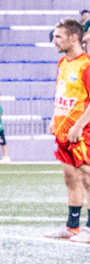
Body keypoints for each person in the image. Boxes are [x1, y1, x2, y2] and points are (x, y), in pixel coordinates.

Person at [48, 20, 90, 240]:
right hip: (63, 129)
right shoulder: (62, 63)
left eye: (58, 37)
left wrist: (79, 124)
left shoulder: (86, 64)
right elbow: (62, 93)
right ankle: (72, 226)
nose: (54, 41)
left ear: (74, 38)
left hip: (82, 129)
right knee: (70, 176)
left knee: (87, 176)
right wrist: (55, 118)